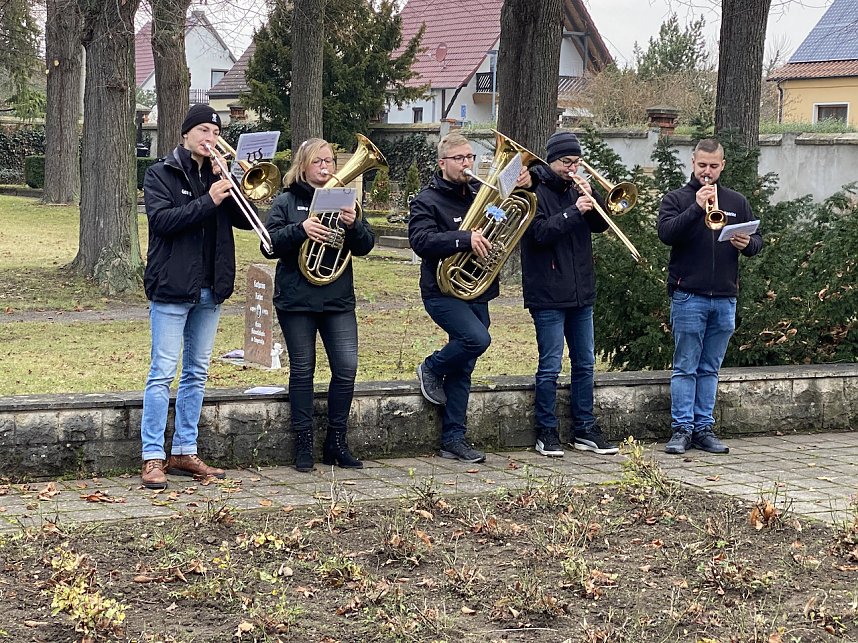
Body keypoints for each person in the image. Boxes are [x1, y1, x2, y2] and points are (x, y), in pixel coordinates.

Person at [140, 104, 254, 489]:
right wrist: (210, 199)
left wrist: (235, 185)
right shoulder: (160, 173)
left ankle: (185, 450)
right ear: (186, 134)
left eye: (216, 131)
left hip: (211, 287)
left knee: (197, 373)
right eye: (203, 130)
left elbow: (246, 221)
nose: (211, 138)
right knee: (162, 373)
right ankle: (152, 456)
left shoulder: (221, 175)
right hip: (172, 288)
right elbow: (163, 222)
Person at [408, 132, 530, 464]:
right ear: (442, 163)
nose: (467, 164)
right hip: (442, 290)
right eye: (460, 159)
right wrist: (465, 238)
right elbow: (421, 241)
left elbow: (502, 222)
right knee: (476, 339)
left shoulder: (483, 192)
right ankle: (430, 366)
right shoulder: (426, 200)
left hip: (478, 288)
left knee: (463, 368)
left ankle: (454, 438)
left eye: (470, 157)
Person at [265, 138, 375, 473]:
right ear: (303, 166)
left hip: (337, 298)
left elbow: (366, 245)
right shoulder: (285, 201)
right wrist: (301, 230)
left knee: (346, 368)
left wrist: (353, 225)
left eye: (329, 161)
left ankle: (336, 442)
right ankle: (303, 443)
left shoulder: (345, 199)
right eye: (318, 162)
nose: (326, 167)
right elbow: (269, 245)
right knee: (303, 370)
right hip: (297, 300)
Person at [657, 138, 762, 455]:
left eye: (713, 166)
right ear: (692, 162)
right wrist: (695, 208)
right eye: (701, 165)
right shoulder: (676, 198)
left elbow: (757, 241)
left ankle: (703, 429)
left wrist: (748, 244)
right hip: (689, 294)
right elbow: (666, 233)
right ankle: (681, 430)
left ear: (722, 165)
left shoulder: (736, 200)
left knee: (710, 368)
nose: (707, 172)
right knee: (686, 366)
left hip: (725, 296)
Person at [520, 130, 618, 458]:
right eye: (566, 162)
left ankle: (584, 429)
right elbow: (539, 235)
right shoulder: (532, 188)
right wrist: (575, 210)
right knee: (550, 365)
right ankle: (546, 431)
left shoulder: (577, 188)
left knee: (585, 363)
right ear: (551, 161)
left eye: (577, 162)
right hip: (547, 291)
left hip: (580, 290)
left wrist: (593, 201)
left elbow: (601, 226)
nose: (572, 168)